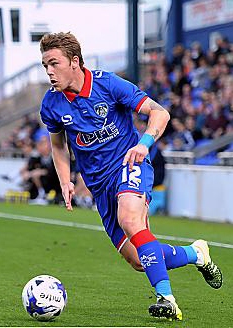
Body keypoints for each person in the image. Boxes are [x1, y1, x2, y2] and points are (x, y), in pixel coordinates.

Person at [39, 32, 222, 321]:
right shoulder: (51, 104)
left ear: (74, 61)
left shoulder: (108, 84)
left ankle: (166, 299)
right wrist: (65, 180)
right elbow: (58, 144)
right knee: (139, 260)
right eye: (44, 65)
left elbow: (159, 113)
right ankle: (196, 254)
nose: (49, 71)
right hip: (99, 186)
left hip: (129, 164)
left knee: (130, 219)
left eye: (53, 63)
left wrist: (143, 144)